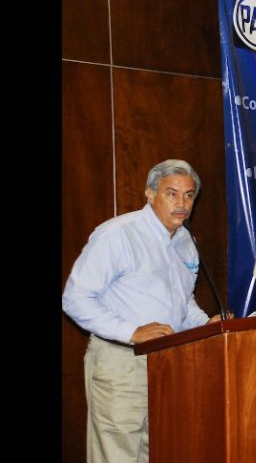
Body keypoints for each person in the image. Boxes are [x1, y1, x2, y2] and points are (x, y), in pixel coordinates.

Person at [62, 159, 227, 463]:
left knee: (163, 450)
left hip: (169, 364)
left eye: (189, 195)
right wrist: (132, 332)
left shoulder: (186, 242)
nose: (182, 204)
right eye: (172, 193)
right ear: (150, 194)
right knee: (119, 456)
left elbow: (182, 302)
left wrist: (206, 324)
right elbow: (75, 298)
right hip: (122, 362)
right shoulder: (118, 234)